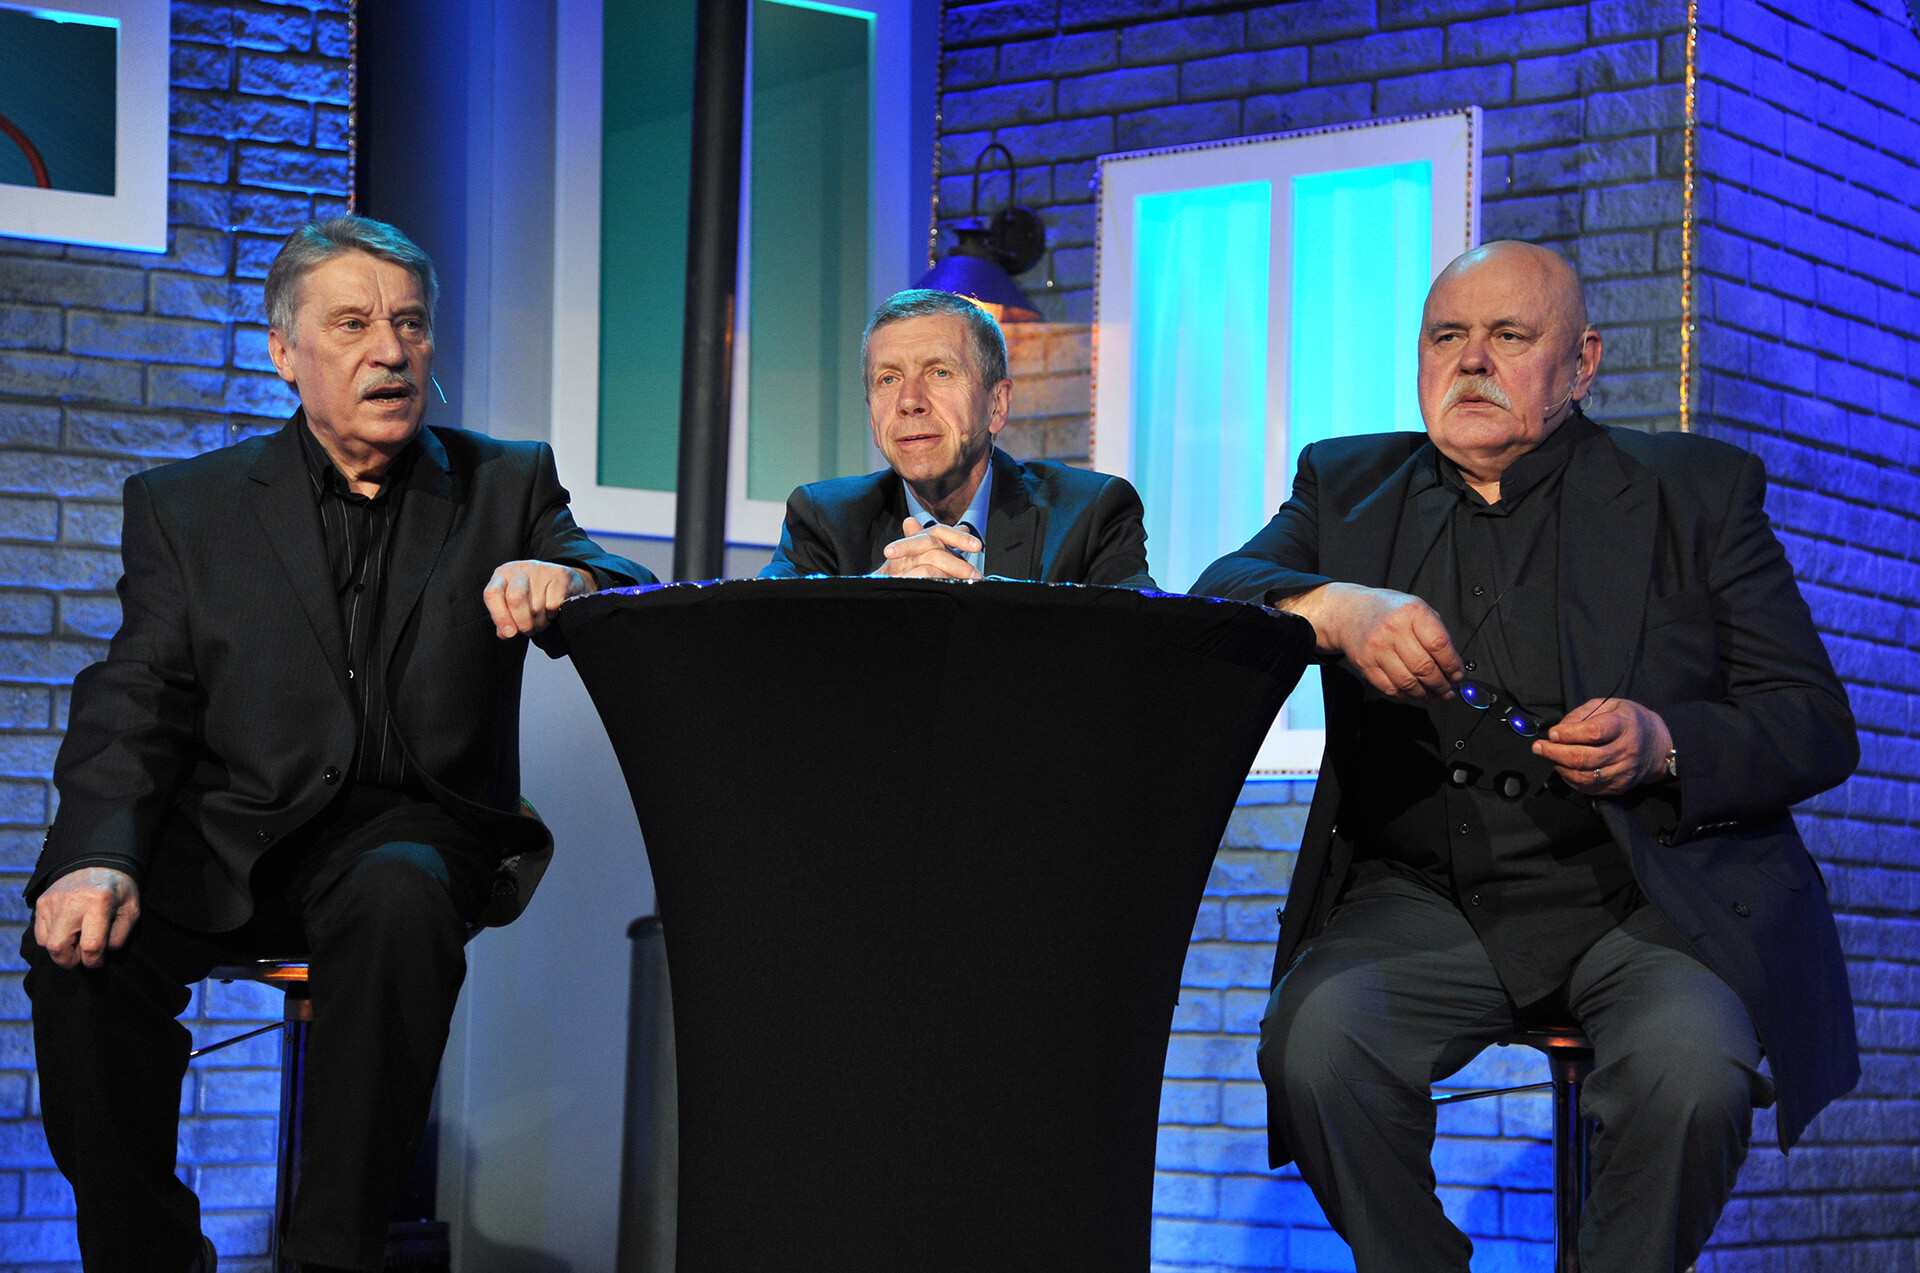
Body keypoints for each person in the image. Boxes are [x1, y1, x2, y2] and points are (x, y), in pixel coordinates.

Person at [1192, 240, 1858, 1273]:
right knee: (1316, 1045)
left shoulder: (1695, 491)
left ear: (1582, 363)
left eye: (1509, 335)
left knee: (1693, 1071)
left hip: (1647, 897)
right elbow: (1212, 600)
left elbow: (1814, 721)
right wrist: (1336, 607)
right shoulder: (1347, 482)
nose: (1472, 360)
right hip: (1427, 897)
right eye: (1447, 336)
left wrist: (1665, 743)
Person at [22, 216, 652, 1273]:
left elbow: (622, 583)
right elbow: (136, 693)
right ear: (285, 352)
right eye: (353, 324)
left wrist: (572, 577)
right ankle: (145, 1254)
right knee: (82, 953)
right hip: (229, 834)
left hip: (407, 833)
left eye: (411, 323)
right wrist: (97, 854)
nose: (391, 350)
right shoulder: (187, 505)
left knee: (400, 896)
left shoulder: (504, 482)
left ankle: (331, 1257)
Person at [761, 289, 1154, 587]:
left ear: (997, 405)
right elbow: (759, 636)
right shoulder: (824, 519)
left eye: (940, 373)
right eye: (888, 379)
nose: (909, 401)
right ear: (871, 415)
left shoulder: (1088, 515)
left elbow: (1137, 647)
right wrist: (872, 597)